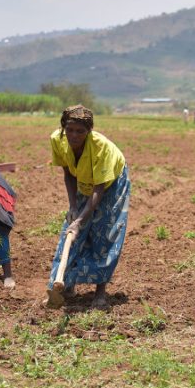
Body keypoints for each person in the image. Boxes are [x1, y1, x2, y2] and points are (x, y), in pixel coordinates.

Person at [46, 105, 131, 309]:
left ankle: (100, 293)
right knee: (72, 234)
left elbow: (98, 190)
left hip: (111, 185)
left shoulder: (101, 148)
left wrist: (80, 220)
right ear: (63, 127)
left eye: (80, 131)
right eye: (70, 129)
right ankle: (64, 285)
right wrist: (74, 207)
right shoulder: (57, 139)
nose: (74, 135)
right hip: (83, 182)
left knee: (104, 233)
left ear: (89, 131)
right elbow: (68, 174)